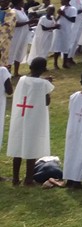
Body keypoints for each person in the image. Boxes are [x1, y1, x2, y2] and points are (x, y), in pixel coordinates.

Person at [6, 56, 54, 185]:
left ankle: (15, 178)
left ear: (30, 67)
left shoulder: (21, 80)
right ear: (44, 69)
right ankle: (28, 178)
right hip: (34, 118)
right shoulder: (44, 84)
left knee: (18, 146)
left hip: (20, 117)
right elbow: (46, 101)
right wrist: (48, 85)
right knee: (31, 146)